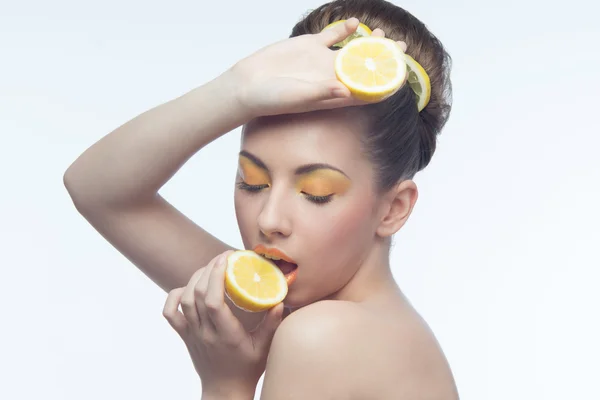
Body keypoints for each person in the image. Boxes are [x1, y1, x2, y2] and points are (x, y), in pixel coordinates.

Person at [64, 0, 458, 398]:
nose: (269, 220)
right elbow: (97, 189)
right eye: (252, 182)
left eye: (315, 193)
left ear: (394, 208)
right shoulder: (336, 317)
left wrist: (226, 384)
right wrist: (237, 89)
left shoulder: (324, 336)